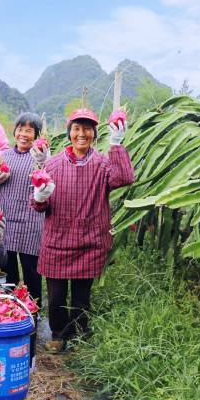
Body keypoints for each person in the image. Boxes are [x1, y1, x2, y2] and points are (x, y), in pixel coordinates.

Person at [31, 108, 134, 353]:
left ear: (94, 133)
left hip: (90, 241)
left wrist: (117, 145)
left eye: (87, 129)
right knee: (56, 296)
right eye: (77, 128)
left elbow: (125, 178)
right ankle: (58, 334)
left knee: (81, 296)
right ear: (69, 132)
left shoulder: (102, 163)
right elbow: (37, 205)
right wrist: (40, 195)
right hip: (57, 240)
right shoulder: (53, 164)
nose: (82, 134)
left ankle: (79, 335)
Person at [0, 112, 46, 306]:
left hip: (31, 222)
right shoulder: (5, 156)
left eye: (29, 130)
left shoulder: (40, 157)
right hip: (6, 221)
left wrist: (43, 164)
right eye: (20, 129)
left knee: (31, 271)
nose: (23, 134)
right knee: (7, 268)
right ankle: (9, 309)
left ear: (36, 135)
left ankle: (33, 309)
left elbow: (48, 186)